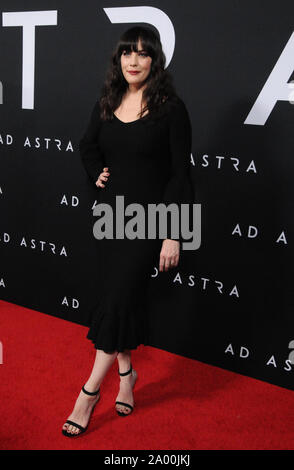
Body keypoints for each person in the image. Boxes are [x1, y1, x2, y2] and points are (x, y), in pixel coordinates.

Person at [62, 25, 194, 437]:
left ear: (155, 59)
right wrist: (95, 173)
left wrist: (174, 232)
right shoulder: (107, 102)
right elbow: (87, 145)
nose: (133, 61)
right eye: (126, 53)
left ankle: (87, 394)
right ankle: (127, 376)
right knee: (113, 301)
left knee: (117, 301)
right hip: (109, 219)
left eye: (142, 53)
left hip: (147, 221)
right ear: (118, 59)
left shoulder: (171, 109)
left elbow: (180, 175)